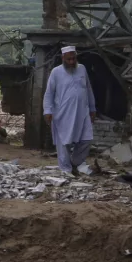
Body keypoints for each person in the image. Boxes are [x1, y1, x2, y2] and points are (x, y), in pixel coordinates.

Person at [43, 46, 97, 175]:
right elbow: (49, 93)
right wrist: (47, 111)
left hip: (82, 112)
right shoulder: (56, 72)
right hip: (63, 113)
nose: (72, 62)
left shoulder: (82, 69)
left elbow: (88, 89)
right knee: (64, 142)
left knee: (86, 139)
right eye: (69, 59)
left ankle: (75, 162)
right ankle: (65, 169)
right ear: (63, 58)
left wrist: (92, 108)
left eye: (73, 58)